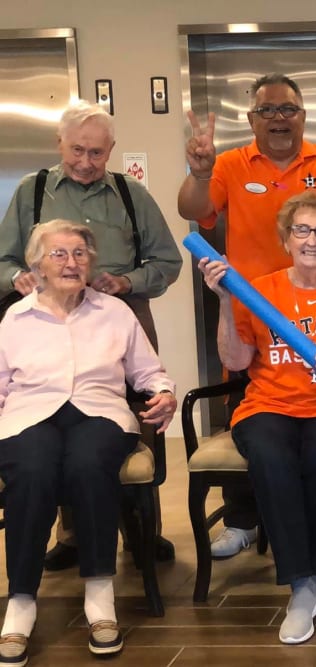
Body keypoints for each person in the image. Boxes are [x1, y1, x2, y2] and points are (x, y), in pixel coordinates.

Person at [179, 73, 316, 559]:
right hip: (254, 313)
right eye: (267, 110)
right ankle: (244, 518)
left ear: (302, 116)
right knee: (253, 410)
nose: (278, 118)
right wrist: (201, 171)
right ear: (252, 119)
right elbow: (193, 210)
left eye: (287, 109)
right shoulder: (230, 164)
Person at [0, 101, 182, 572]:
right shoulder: (32, 190)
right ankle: (74, 534)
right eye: (77, 149)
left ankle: (141, 531)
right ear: (60, 144)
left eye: (97, 153)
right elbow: (3, 260)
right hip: (49, 316)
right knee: (53, 412)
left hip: (121, 313)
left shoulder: (129, 193)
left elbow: (167, 262)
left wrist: (126, 283)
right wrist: (18, 277)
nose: (86, 161)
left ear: (111, 151)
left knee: (133, 422)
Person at [198, 191, 316, 644]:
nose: (311, 240)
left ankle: (307, 581)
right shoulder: (258, 290)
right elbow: (237, 360)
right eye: (301, 230)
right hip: (268, 404)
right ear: (286, 239)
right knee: (270, 456)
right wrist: (224, 300)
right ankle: (303, 581)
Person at [0, 220, 177, 663]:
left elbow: (148, 373)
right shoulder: (15, 318)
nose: (71, 262)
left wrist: (165, 394)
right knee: (33, 467)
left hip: (100, 413)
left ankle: (99, 594)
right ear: (36, 264)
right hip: (29, 414)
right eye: (58, 254)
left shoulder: (115, 312)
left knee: (87, 463)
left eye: (79, 253)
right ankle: (21, 601)